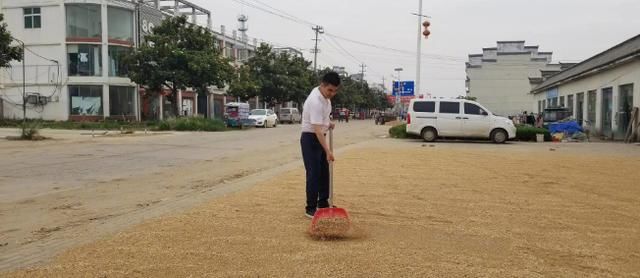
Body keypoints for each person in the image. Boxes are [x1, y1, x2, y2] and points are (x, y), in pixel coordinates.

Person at [300, 72, 340, 219]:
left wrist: (328, 123)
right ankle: (310, 207)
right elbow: (316, 130)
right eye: (330, 90)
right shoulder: (315, 100)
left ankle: (323, 202)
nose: (332, 93)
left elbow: (323, 119)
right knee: (314, 173)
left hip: (320, 136)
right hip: (310, 139)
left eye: (335, 91)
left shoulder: (326, 99)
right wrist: (328, 151)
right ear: (322, 85)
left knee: (324, 172)